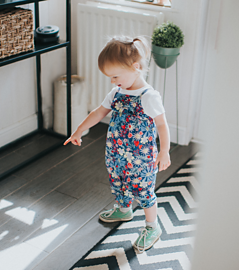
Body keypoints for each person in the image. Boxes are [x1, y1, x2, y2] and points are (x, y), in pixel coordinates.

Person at [64, 36, 171, 253]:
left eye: (115, 76)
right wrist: (79, 129)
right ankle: (124, 209)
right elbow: (98, 113)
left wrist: (165, 151)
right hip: (116, 152)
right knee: (119, 182)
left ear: (136, 67)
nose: (112, 81)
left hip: (142, 157)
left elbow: (162, 125)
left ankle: (152, 226)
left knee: (143, 190)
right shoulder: (117, 93)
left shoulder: (148, 96)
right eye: (110, 77)